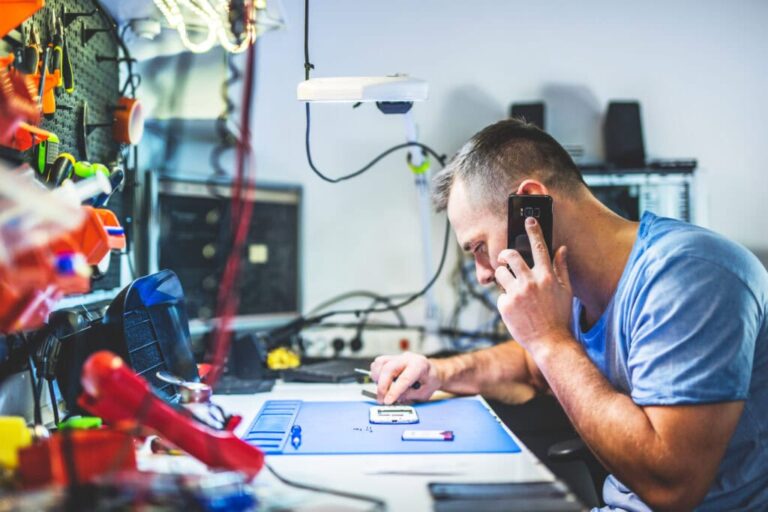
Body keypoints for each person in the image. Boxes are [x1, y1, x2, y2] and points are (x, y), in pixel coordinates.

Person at [370, 118, 768, 511]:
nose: (482, 274)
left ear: (530, 205)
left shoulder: (690, 273)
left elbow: (672, 489)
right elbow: (531, 365)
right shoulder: (575, 290)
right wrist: (441, 374)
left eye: (478, 247)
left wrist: (549, 339)